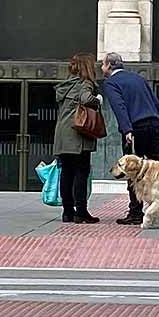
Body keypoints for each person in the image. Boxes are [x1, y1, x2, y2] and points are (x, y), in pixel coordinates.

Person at [101, 52, 159, 226]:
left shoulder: (111, 83)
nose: (102, 68)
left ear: (109, 65)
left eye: (103, 64)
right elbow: (155, 102)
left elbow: (119, 107)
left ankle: (135, 212)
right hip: (153, 123)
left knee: (132, 171)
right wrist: (158, 121)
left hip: (135, 128)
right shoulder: (138, 78)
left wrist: (127, 129)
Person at [53, 53, 102, 224]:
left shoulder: (66, 84)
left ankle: (67, 212)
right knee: (81, 173)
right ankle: (81, 212)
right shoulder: (85, 83)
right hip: (78, 135)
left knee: (66, 174)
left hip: (62, 135)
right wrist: (98, 100)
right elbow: (86, 99)